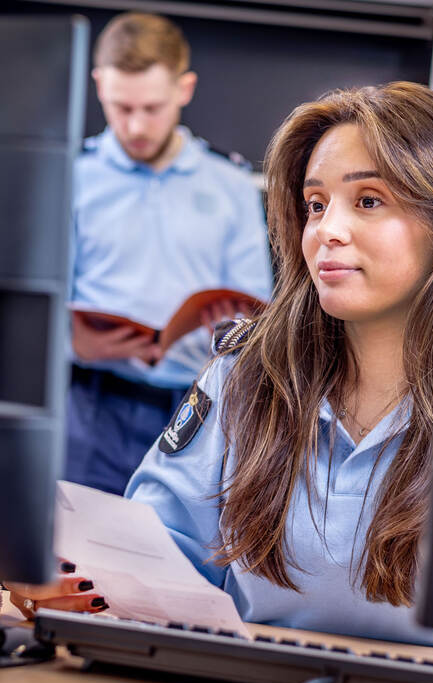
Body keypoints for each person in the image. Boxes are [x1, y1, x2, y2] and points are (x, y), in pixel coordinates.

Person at [19, 81, 433, 683]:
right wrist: (80, 584)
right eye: (315, 205)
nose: (326, 232)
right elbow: (155, 555)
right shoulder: (243, 372)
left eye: (368, 201)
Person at [68, 12, 273, 495]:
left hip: (198, 408)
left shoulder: (232, 184)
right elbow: (38, 296)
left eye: (152, 108)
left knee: (174, 557)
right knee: (76, 556)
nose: (136, 125)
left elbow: (257, 305)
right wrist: (69, 343)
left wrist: (231, 330)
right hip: (91, 404)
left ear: (184, 89)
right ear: (99, 86)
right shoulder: (71, 177)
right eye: (121, 107)